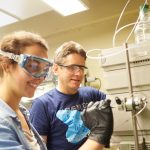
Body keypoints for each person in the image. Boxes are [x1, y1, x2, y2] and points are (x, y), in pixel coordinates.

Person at [30, 41, 113, 150]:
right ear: (55, 69)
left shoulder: (93, 95)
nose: (78, 74)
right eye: (72, 67)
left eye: (81, 68)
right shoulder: (42, 105)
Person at [0, 31, 53, 150]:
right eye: (33, 66)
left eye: (45, 70)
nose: (40, 78)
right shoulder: (2, 122)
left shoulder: (21, 112)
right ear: (6, 64)